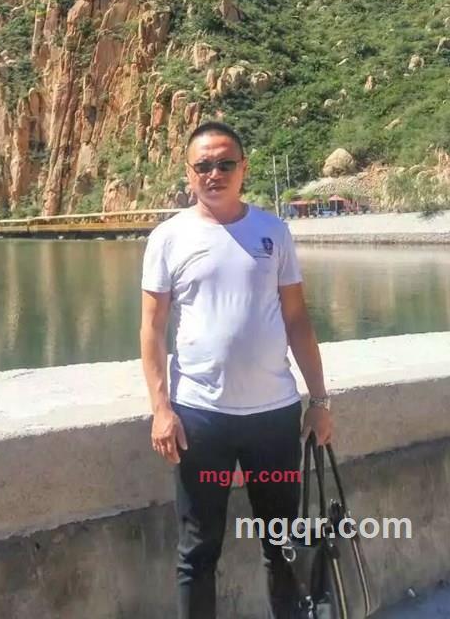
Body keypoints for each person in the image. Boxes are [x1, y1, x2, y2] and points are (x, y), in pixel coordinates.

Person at [139, 121, 333, 619]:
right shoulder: (168, 238)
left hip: (273, 419)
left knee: (282, 544)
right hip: (201, 421)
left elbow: (297, 319)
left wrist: (319, 400)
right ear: (188, 173)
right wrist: (161, 409)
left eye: (225, 163)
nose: (215, 173)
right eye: (203, 165)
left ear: (244, 169)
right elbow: (152, 330)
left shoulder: (273, 231)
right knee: (198, 550)